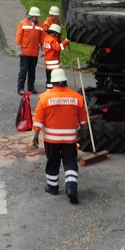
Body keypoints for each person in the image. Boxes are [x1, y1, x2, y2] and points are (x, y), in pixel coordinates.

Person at [32, 68, 88, 204]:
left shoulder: (45, 98)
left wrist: (35, 136)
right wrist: (83, 131)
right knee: (70, 162)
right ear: (65, 81)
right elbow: (83, 121)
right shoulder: (77, 98)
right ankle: (71, 188)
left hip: (51, 140)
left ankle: (52, 187)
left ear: (53, 82)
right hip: (70, 139)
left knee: (53, 162)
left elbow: (38, 119)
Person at [16, 6, 44, 95]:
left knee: (32, 71)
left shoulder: (40, 26)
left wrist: (43, 50)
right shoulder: (22, 23)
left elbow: (42, 39)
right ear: (31, 16)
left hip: (34, 52)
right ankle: (20, 88)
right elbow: (18, 37)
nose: (36, 18)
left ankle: (31, 87)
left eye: (37, 17)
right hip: (24, 52)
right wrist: (18, 49)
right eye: (35, 17)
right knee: (23, 70)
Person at [42, 24, 69, 88]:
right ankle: (52, 88)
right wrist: (66, 41)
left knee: (49, 78)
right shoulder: (52, 40)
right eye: (57, 34)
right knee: (54, 77)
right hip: (53, 63)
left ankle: (48, 88)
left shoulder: (47, 38)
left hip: (48, 62)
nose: (57, 35)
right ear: (54, 33)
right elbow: (58, 48)